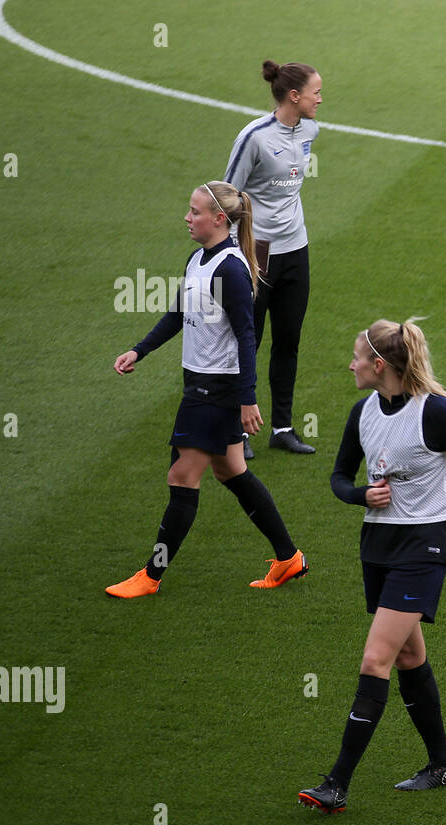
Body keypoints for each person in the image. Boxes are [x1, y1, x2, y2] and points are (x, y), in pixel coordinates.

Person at [299, 319, 446, 813]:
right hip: (377, 547)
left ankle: (336, 784)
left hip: (425, 548)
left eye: (357, 358)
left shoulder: (437, 414)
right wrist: (358, 495)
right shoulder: (362, 413)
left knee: (375, 661)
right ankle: (443, 765)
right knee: (409, 658)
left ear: (380, 365)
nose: (351, 365)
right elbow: (339, 476)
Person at [107, 182, 308, 598]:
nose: (187, 217)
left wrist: (247, 398)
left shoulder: (230, 270)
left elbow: (247, 336)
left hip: (214, 391)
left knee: (182, 476)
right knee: (231, 471)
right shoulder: (198, 259)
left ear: (220, 219)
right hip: (200, 384)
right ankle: (288, 557)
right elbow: (178, 314)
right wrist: (138, 350)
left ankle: (151, 576)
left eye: (194, 211)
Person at [225, 59, 322, 458]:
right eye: (316, 92)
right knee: (248, 340)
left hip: (296, 249)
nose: (321, 99)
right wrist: (234, 253)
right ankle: (237, 430)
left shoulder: (311, 129)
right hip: (256, 252)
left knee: (289, 340)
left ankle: (282, 427)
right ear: (293, 96)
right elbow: (226, 195)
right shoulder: (254, 137)